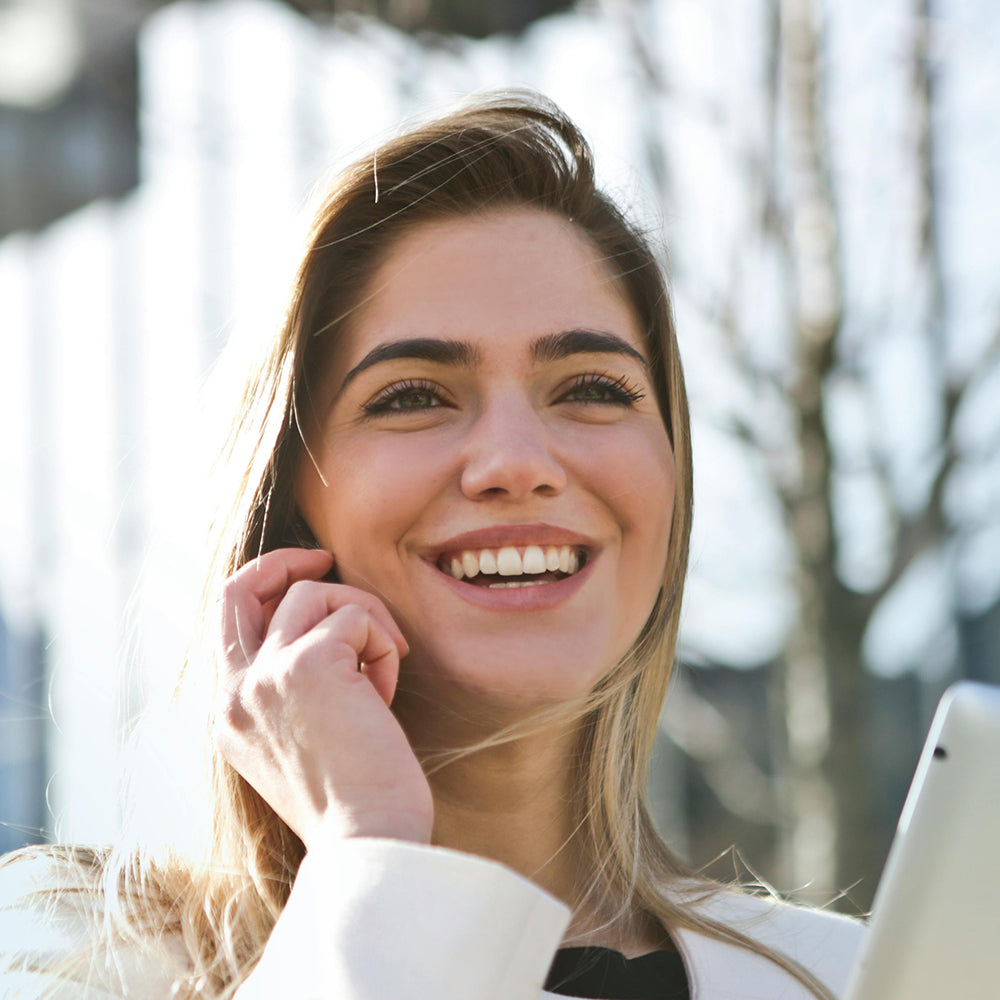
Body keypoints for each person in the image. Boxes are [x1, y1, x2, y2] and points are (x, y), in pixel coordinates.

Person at [0, 91, 865, 1000]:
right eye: (413, 394)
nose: (518, 463)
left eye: (594, 387)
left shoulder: (860, 978)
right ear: (289, 504)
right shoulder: (68, 962)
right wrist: (370, 857)